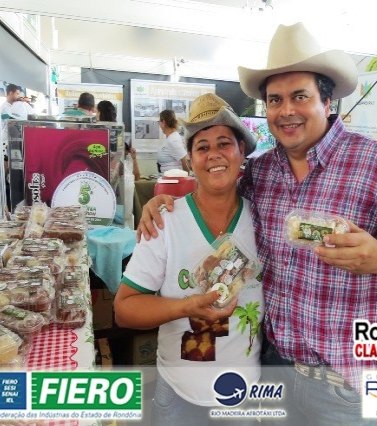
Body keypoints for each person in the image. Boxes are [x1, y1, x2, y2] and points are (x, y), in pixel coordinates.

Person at [138, 23, 377, 424]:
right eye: (275, 100)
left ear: (327, 102)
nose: (286, 110)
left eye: (300, 96)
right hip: (270, 365)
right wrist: (162, 201)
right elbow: (214, 182)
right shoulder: (261, 172)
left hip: (342, 384)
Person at [114, 93, 263, 425]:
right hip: (177, 393)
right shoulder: (166, 221)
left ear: (242, 154)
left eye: (224, 143)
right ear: (190, 159)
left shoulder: (263, 220)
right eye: (202, 147)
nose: (214, 155)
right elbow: (124, 309)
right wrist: (185, 306)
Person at [157, 109, 190, 173]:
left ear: (163, 122)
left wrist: (186, 179)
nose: (159, 125)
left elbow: (185, 162)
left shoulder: (173, 140)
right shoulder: (170, 137)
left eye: (159, 122)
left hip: (173, 180)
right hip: (167, 178)